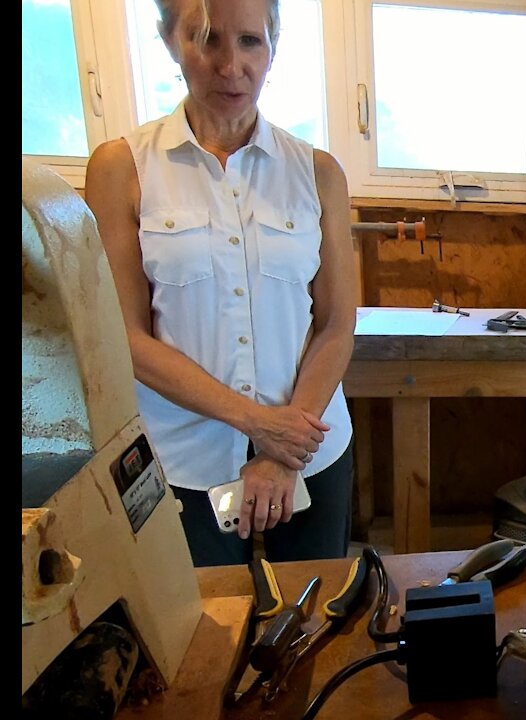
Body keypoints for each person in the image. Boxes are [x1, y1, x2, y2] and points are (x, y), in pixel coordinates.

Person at [85, 0, 357, 567]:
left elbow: (335, 324)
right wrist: (258, 423)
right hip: (183, 461)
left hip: (311, 452)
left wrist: (285, 448)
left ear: (273, 47)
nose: (230, 65)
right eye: (207, 39)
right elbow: (126, 337)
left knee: (312, 621)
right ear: (169, 41)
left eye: (250, 42)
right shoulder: (122, 168)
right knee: (202, 633)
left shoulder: (318, 172)